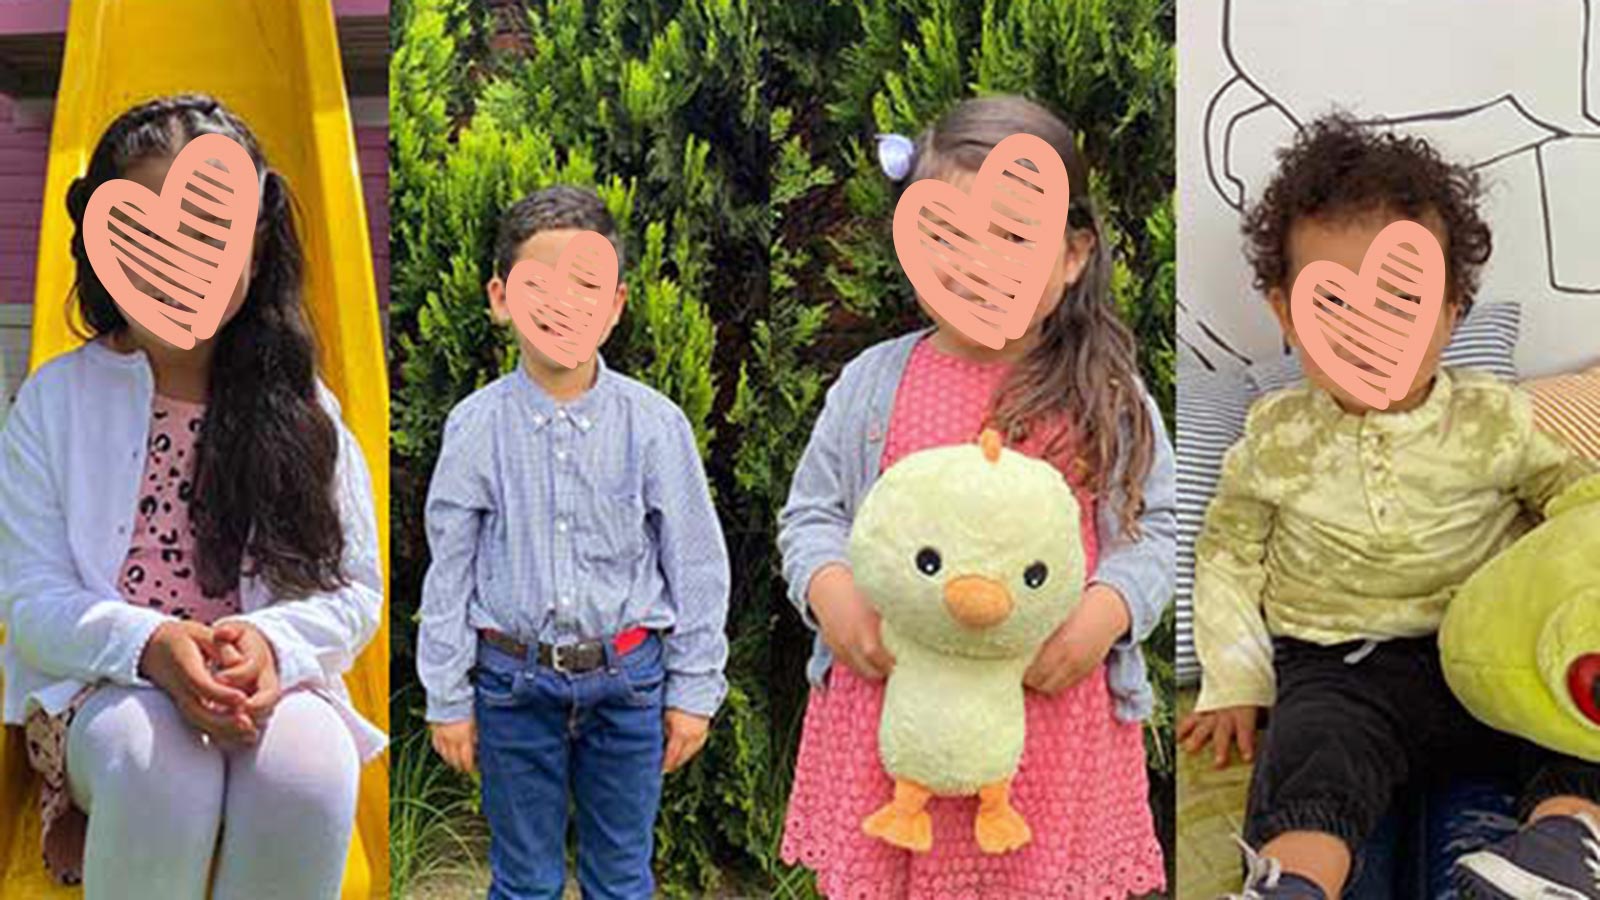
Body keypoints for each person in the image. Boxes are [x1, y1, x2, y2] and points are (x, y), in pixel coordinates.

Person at [1180, 115, 1600, 899]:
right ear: (1284, 309)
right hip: (1342, 665)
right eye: (1334, 306)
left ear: (1450, 308)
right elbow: (1228, 550)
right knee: (1312, 754)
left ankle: (1558, 849)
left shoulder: (1494, 418)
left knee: (1572, 712)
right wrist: (1235, 679)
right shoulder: (1276, 437)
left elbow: (1569, 494)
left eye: (1400, 302)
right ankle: (1295, 882)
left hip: (1482, 652)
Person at [778, 95, 1175, 899]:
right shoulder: (874, 386)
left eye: (1012, 236)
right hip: (892, 717)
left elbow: (1154, 531)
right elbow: (812, 515)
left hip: (1048, 727)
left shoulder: (1105, 394)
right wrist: (833, 595)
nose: (979, 262)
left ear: (1070, 255)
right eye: (948, 237)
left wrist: (1104, 616)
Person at [0, 94, 384, 900]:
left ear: (255, 241)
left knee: (312, 769)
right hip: (103, 690)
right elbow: (29, 595)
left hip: (266, 685)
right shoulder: (54, 399)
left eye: (210, 235)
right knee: (160, 764)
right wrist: (151, 646)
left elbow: (354, 589)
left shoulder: (302, 407)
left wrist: (271, 644)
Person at [416, 186, 732, 900]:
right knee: (523, 879)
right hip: (510, 686)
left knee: (621, 878)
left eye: (585, 286)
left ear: (616, 304)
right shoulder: (475, 427)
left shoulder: (655, 426)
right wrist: (446, 696)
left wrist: (694, 689)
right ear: (501, 298)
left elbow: (697, 563)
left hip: (628, 684)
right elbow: (450, 570)